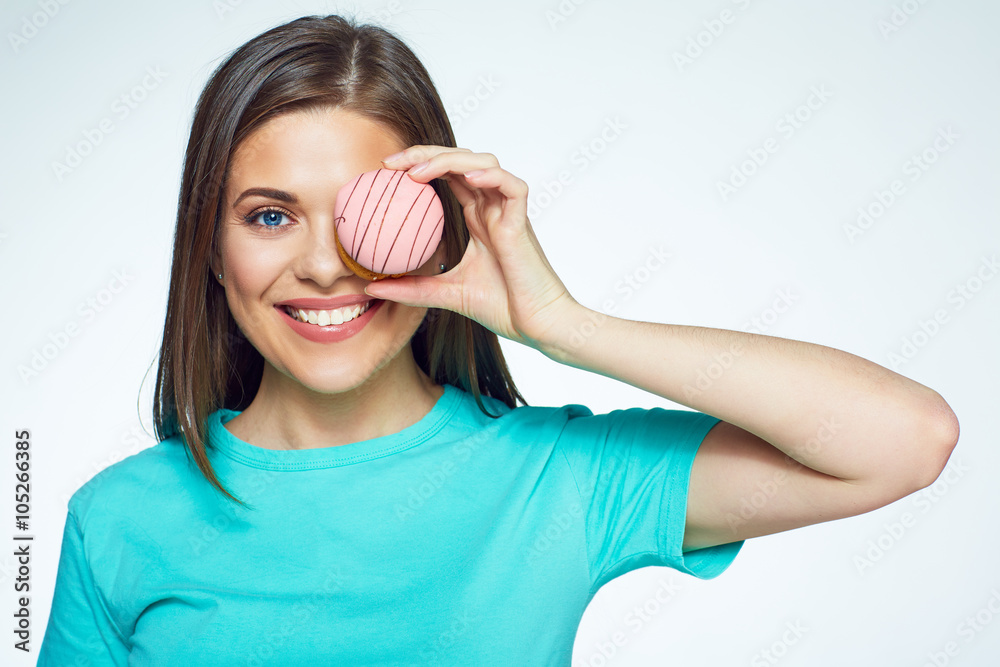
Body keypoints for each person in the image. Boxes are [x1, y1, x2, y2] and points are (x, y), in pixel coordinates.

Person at [37, 14, 960, 666]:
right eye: (271, 215)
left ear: (439, 225)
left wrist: (566, 327)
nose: (324, 267)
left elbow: (905, 439)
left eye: (365, 213)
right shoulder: (119, 517)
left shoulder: (557, 476)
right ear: (210, 243)